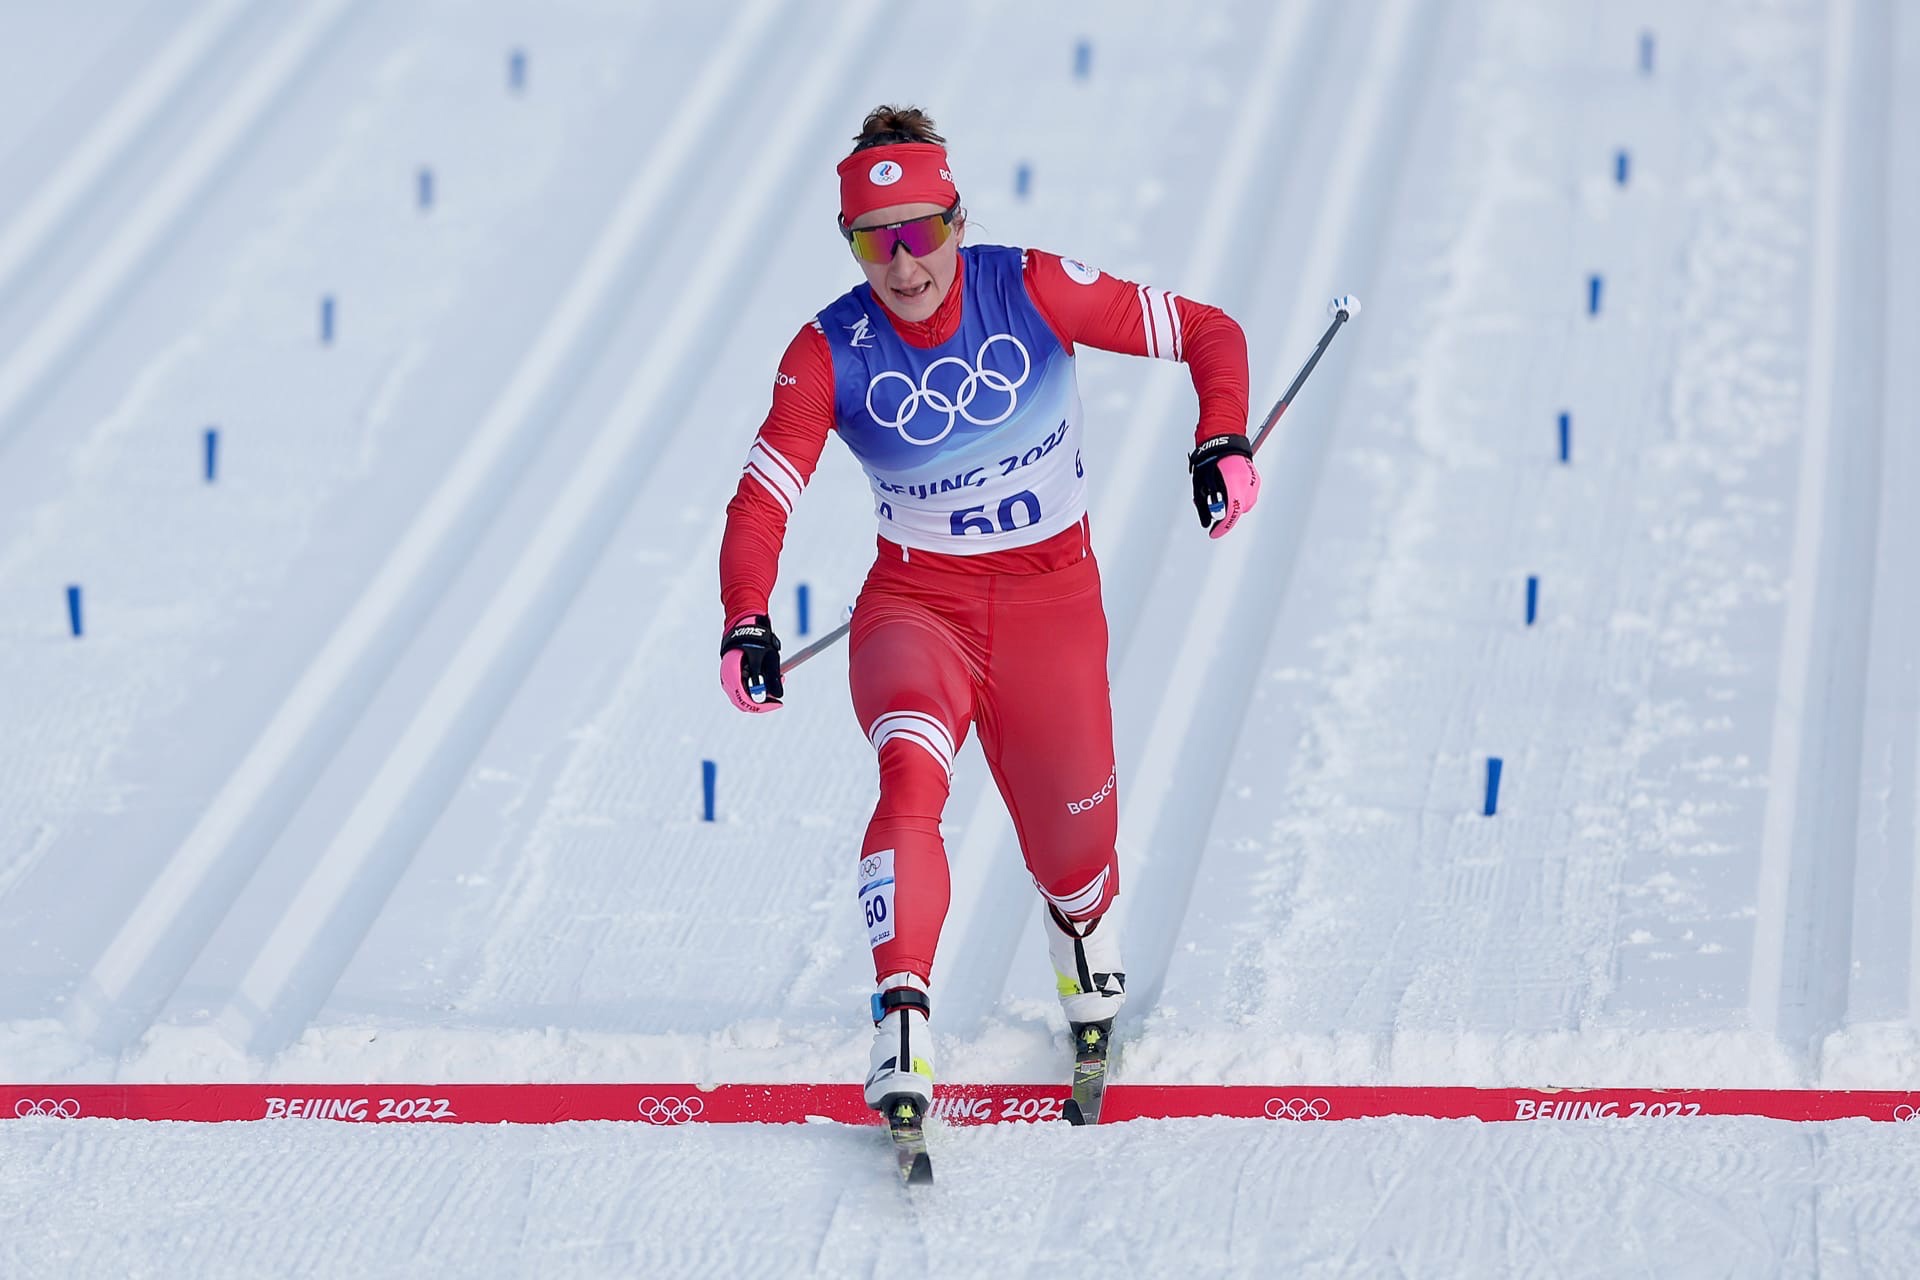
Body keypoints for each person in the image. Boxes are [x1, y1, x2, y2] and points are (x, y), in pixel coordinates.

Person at [717, 105, 1257, 1117]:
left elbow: (1207, 332)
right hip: (917, 607)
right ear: (853, 246)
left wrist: (1220, 439)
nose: (904, 263)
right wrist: (747, 615)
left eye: (923, 231)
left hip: (1051, 606)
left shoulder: (1031, 289)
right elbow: (762, 497)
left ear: (957, 222)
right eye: (877, 241)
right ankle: (903, 1021)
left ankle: (1085, 942)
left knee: (1075, 857)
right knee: (910, 770)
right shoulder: (828, 349)